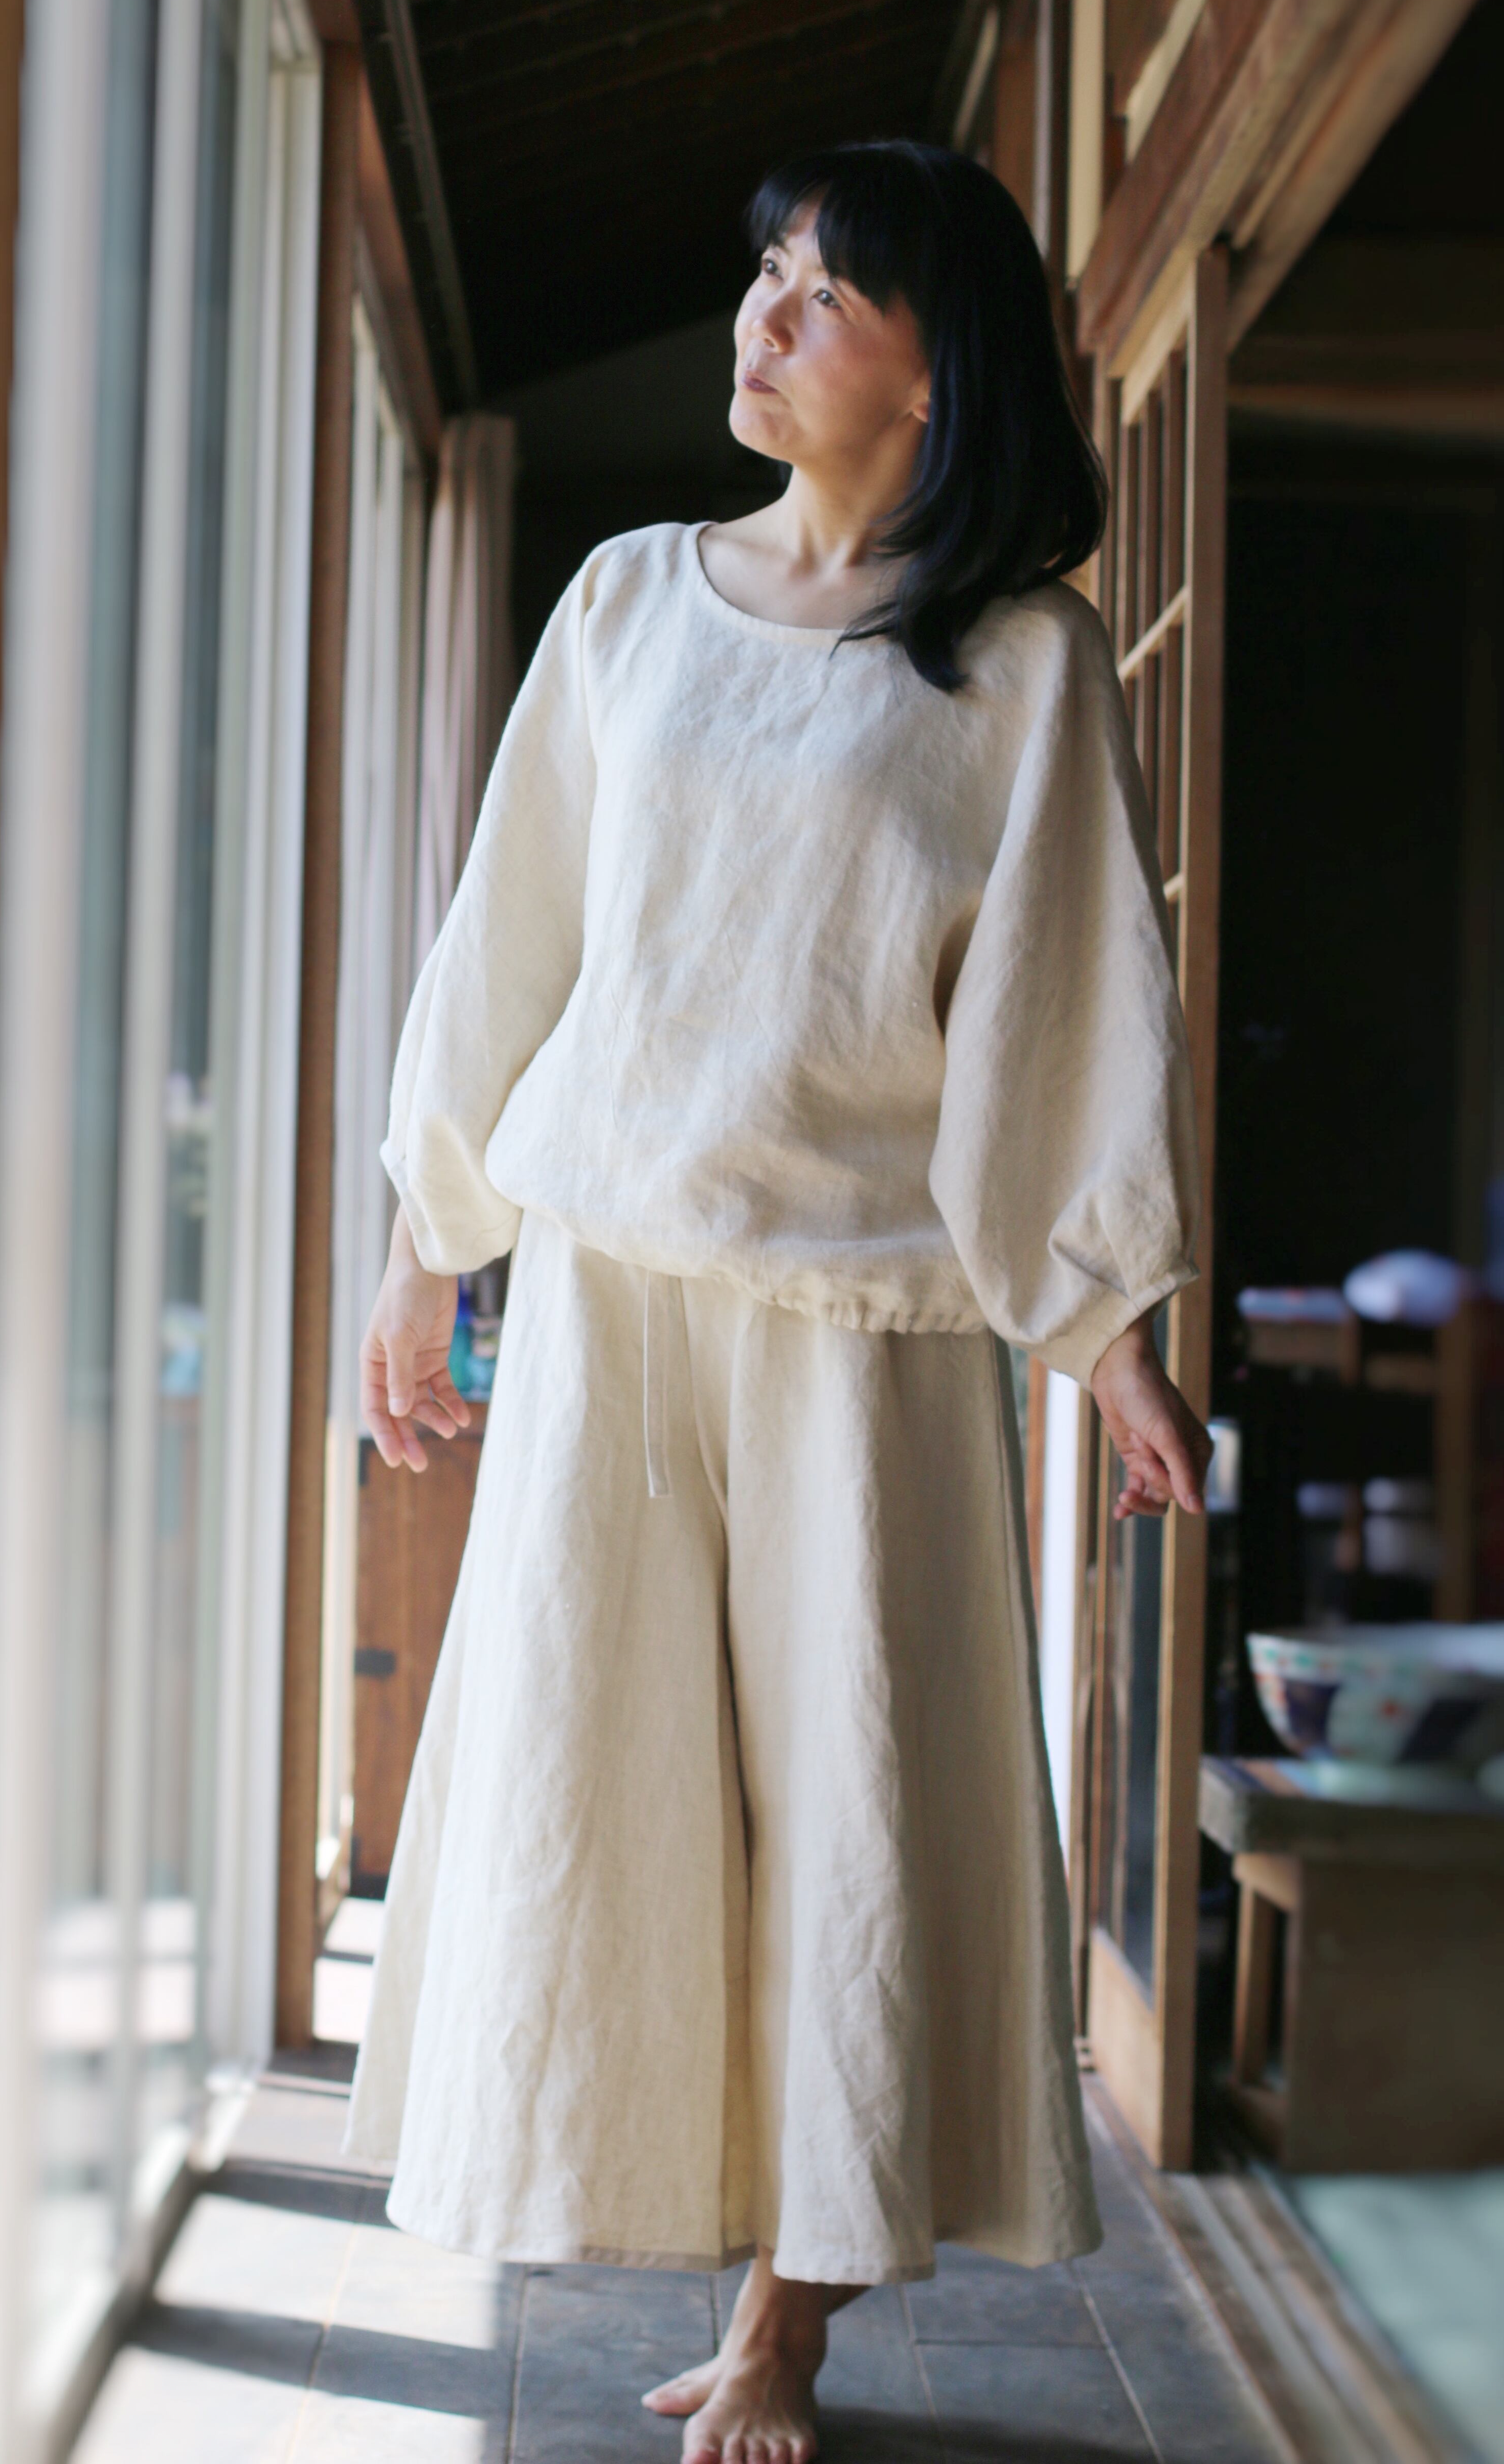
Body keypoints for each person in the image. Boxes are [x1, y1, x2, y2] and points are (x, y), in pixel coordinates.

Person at [344, 140, 1210, 2464]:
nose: (766, 316)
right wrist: (429, 1242)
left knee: (852, 1804)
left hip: (868, 1332)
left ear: (937, 376)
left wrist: (1109, 1330)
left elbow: (1065, 1021)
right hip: (613, 1301)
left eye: (826, 293)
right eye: (771, 275)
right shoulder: (629, 600)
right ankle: (639, 2205)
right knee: (595, 1778)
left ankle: (786, 2333)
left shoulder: (1020, 666)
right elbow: (510, 939)